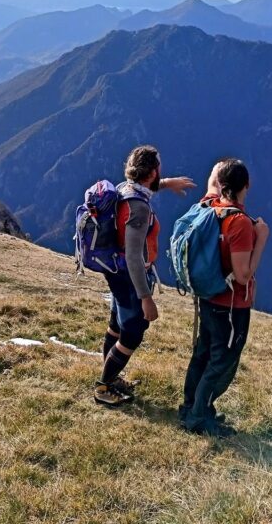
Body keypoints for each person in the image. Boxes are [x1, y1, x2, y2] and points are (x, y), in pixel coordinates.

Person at [94, 145, 196, 406]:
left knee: (117, 325)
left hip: (115, 271)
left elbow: (145, 188)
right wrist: (146, 297)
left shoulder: (124, 188)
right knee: (133, 332)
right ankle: (103, 388)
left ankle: (111, 378)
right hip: (128, 276)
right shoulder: (139, 208)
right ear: (152, 172)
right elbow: (133, 256)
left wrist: (167, 183)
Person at [180, 158, 270, 436]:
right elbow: (243, 274)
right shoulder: (240, 223)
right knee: (222, 361)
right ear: (246, 186)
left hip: (209, 298)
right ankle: (199, 416)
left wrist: (220, 168)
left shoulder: (209, 206)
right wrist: (262, 238)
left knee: (203, 353)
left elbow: (212, 182)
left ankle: (190, 406)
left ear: (220, 184)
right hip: (231, 306)